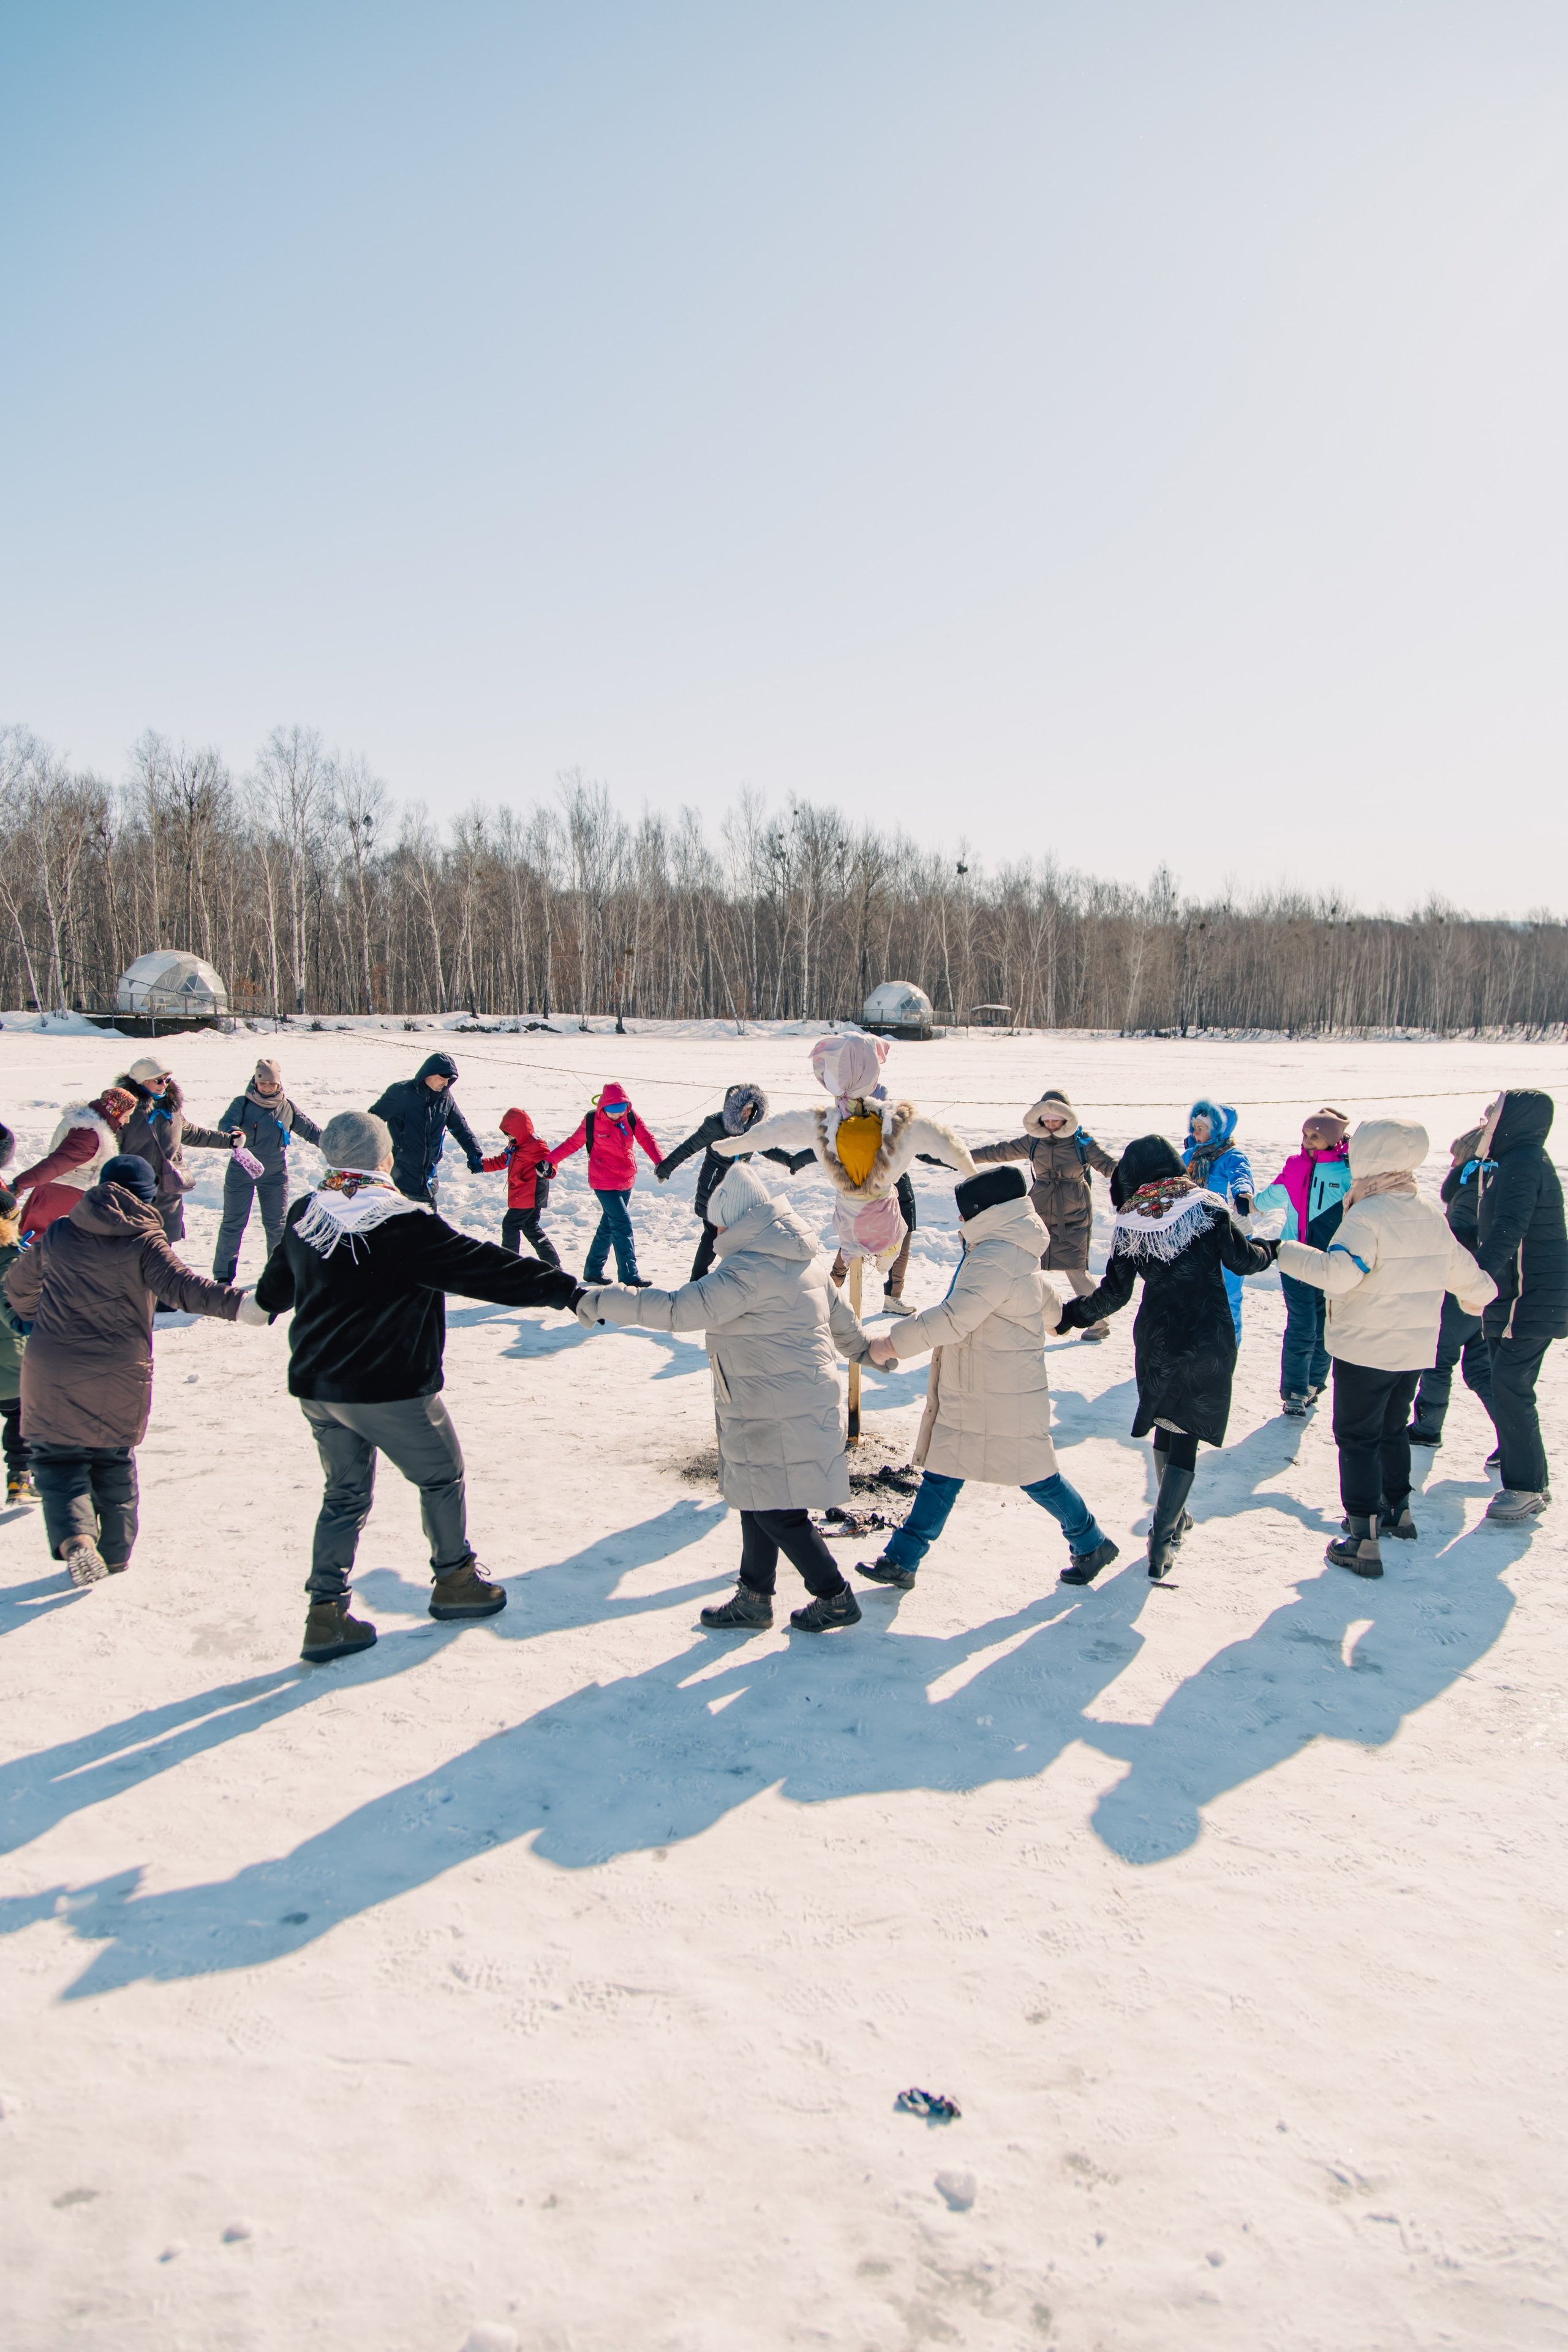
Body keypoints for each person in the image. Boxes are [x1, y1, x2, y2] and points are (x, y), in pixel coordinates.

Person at [254, 1109, 584, 1664]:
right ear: (383, 1159)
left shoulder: (307, 1214)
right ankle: (455, 1581)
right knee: (441, 1475)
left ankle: (325, 1614)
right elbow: (484, 1268)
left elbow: (273, 1293)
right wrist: (566, 1291)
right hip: (391, 1389)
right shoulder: (402, 1222)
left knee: (344, 1495)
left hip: (319, 1389)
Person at [577, 1159, 871, 1632]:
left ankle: (834, 1595)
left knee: (777, 1510)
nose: (713, 1229)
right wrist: (873, 1352)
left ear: (734, 1220)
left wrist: (599, 1299)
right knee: (758, 1498)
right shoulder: (805, 1262)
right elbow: (845, 1326)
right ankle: (754, 1597)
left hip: (770, 1406)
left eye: (716, 1221)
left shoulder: (746, 1271)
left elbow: (677, 1310)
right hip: (793, 1400)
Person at [856, 1164, 1118, 1588]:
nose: (959, 1220)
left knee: (1035, 1476)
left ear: (986, 1212)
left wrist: (889, 1344)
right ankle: (902, 1558)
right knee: (945, 1470)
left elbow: (953, 1319)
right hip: (984, 1385)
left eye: (965, 1213)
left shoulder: (994, 1257)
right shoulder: (1011, 1251)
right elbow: (1044, 1303)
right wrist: (1058, 1320)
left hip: (998, 1391)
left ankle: (1091, 1540)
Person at [2, 1152, 255, 1585]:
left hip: (51, 1364)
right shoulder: (145, 1241)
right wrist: (245, 1306)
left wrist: (29, 1314)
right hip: (118, 1369)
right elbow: (186, 1290)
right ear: (146, 1197)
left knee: (60, 1460)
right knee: (112, 1458)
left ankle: (76, 1538)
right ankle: (115, 1555)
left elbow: (19, 1289)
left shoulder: (61, 1231)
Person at [1277, 1118, 1496, 1576]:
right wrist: (1474, 1303)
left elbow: (1339, 1274)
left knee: (1357, 1437)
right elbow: (1473, 1281)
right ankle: (1397, 1511)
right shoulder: (1428, 1216)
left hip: (1365, 1348)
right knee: (1393, 1428)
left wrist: (1287, 1252)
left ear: (1368, 1158)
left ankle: (1362, 1538)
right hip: (1414, 1350)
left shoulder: (1366, 1216)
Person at [1056, 1135, 1276, 1579]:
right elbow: (1243, 1262)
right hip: (1206, 1332)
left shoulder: (1133, 1219)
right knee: (1188, 1431)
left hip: (1157, 1336)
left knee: (1165, 1420)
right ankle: (1164, 1534)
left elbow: (1114, 1294)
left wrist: (1072, 1315)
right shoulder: (1207, 1206)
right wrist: (1270, 1249)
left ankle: (1172, 1516)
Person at [1472, 1090, 1568, 1523]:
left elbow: (1510, 1229)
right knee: (1504, 1382)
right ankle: (1526, 1474)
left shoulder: (1524, 1163)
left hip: (1529, 1299)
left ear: (1514, 1119)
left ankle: (1526, 1486)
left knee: (1510, 1385)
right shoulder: (1512, 1162)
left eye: (1494, 1112)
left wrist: (1475, 1278)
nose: (1487, 1119)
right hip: (1516, 1297)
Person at [971, 1090, 1118, 1339]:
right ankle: (1028, 1316)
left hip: (1074, 1212)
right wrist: (963, 1156)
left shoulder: (1082, 1142)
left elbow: (1108, 1166)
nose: (1051, 1126)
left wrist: (1138, 1170)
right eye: (1046, 1121)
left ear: (1067, 1118)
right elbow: (1000, 1151)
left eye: (1056, 1120)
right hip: (1039, 1208)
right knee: (1028, 1261)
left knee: (1075, 1266)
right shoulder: (1034, 1141)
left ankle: (1098, 1321)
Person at [1252, 1109, 1353, 1415]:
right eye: (1305, 1135)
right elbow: (1274, 1195)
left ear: (1334, 1140)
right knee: (1302, 1324)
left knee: (1325, 1325)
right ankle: (1294, 1390)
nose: (1308, 1142)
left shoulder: (1350, 1172)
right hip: (1294, 1258)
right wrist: (1250, 1205)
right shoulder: (1296, 1166)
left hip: (1330, 1261)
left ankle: (1313, 1385)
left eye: (1316, 1137)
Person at [1406, 1123, 1499, 1454]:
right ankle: (1513, 1439)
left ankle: (1427, 1428)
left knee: (1438, 1359)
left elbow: (1462, 1236)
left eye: (1456, 1157)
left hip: (1461, 1289)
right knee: (1481, 1368)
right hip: (1486, 1289)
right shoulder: (1491, 1186)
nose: (1451, 1163)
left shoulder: (1470, 1189)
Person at [657, 1084, 803, 1280]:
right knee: (711, 1236)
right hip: (713, 1190)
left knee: (742, 1236)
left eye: (751, 1109)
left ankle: (737, 1279)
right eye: (743, 1109)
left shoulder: (752, 1129)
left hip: (739, 1191)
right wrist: (666, 1168)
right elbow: (689, 1147)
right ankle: (697, 1281)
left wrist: (789, 1160)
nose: (747, 1113)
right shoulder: (716, 1126)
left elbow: (766, 1148)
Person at [211, 1057, 323, 1282]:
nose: (267, 1087)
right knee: (233, 1223)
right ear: (255, 1081)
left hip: (274, 1175)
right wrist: (234, 1133)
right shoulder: (241, 1103)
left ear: (279, 1084)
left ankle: (280, 1275)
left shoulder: (287, 1107)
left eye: (272, 1084)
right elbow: (226, 1124)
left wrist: (335, 1144)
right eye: (263, 1083)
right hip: (241, 1172)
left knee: (277, 1225)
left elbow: (311, 1131)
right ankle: (223, 1277)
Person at [117, 1058, 242, 1247]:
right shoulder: (126, 1112)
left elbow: (192, 1133)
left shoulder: (171, 1108)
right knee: (133, 1249)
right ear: (141, 1081)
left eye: (167, 1080)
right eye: (158, 1080)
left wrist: (228, 1140)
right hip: (135, 1193)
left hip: (169, 1191)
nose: (164, 1085)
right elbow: (108, 1148)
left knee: (162, 1252)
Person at [552, 1083, 663, 1286]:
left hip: (626, 1179)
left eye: (620, 1110)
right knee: (622, 1224)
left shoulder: (631, 1117)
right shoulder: (591, 1121)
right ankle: (629, 1276)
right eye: (612, 1111)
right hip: (603, 1180)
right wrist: (550, 1160)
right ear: (603, 1107)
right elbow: (572, 1144)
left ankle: (593, 1270)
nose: (616, 1115)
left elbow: (647, 1139)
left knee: (609, 1226)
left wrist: (661, 1162)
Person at [10, 1084, 138, 1237]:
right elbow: (58, 1164)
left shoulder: (80, 1121)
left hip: (50, 1191)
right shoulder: (89, 1135)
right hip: (65, 1198)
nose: (128, 1120)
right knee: (54, 1250)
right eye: (126, 1115)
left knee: (35, 1250)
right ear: (115, 1111)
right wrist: (20, 1184)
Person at [368, 1052, 486, 1207]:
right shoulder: (401, 1093)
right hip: (402, 1174)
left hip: (429, 1177)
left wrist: (474, 1152)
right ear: (429, 1074)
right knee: (410, 1225)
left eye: (449, 1081)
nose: (446, 1084)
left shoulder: (446, 1099)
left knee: (423, 1225)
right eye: (443, 1079)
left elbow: (460, 1127)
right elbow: (371, 1122)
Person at [1182, 1100, 1254, 1341]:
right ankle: (1197, 1347)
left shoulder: (1232, 1156)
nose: (1194, 1133)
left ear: (1217, 1129)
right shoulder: (1191, 1155)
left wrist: (1243, 1194)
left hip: (1230, 1234)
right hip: (1196, 1233)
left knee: (1227, 1294)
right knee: (1195, 1292)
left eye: (1200, 1127)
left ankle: (1229, 1347)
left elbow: (1241, 1176)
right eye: (1193, 1127)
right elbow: (1170, 1175)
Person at [480, 1107, 561, 1265]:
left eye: (511, 1135)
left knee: (510, 1225)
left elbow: (550, 1162)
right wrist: (481, 1166)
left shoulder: (535, 1144)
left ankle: (509, 1266)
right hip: (524, 1193)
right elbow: (503, 1161)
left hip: (530, 1193)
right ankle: (553, 1264)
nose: (509, 1138)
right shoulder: (516, 1144)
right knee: (530, 1227)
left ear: (520, 1130)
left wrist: (548, 1169)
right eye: (507, 1135)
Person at [0, 1186, 33, 1504]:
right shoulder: (6, 1260)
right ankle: (19, 1479)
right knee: (20, 1413)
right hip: (8, 1360)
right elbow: (10, 1304)